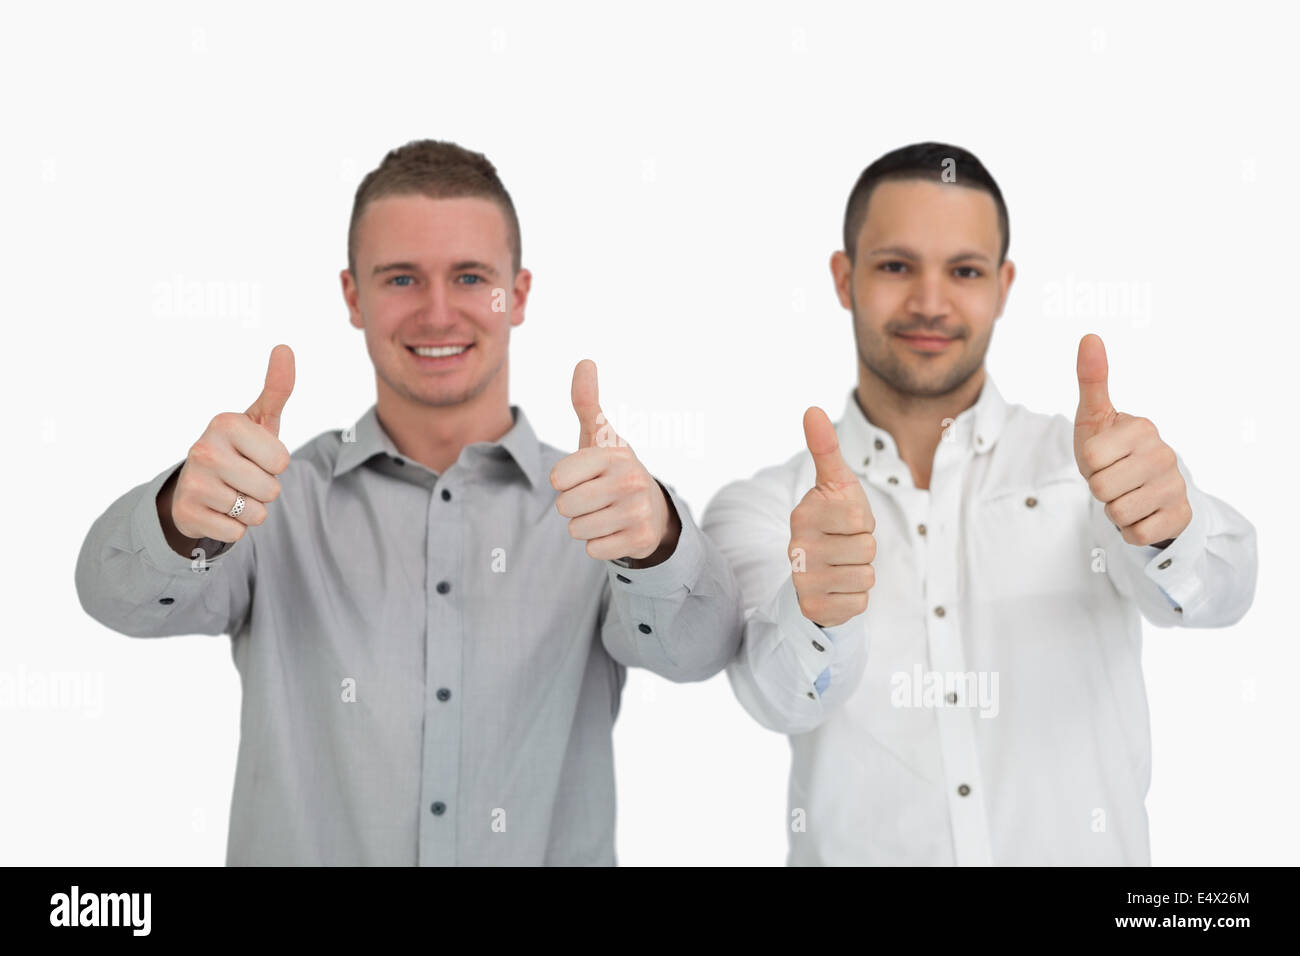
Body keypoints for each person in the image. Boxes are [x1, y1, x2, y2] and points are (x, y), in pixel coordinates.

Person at [75, 139, 743, 866]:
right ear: (352, 296)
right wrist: (179, 518)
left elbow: (701, 652)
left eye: (470, 277)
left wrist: (657, 543)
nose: (436, 312)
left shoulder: (600, 510)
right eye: (400, 278)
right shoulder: (271, 501)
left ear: (517, 295)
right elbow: (116, 599)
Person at [701, 142, 1258, 866]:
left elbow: (1222, 591)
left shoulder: (1095, 464)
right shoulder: (767, 507)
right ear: (844, 278)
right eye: (896, 265)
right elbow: (775, 697)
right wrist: (819, 610)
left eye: (964, 271)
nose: (930, 303)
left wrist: (1169, 525)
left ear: (1003, 285)